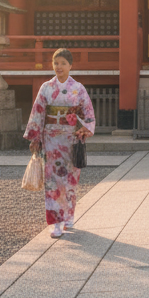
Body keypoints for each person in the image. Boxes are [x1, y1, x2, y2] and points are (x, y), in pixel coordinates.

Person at [24, 48, 96, 239]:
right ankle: (55, 221)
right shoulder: (46, 88)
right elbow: (38, 112)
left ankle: (68, 215)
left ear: (70, 66)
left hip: (71, 139)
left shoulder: (78, 88)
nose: (59, 67)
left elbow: (88, 113)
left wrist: (85, 129)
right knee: (52, 179)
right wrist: (35, 137)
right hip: (51, 138)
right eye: (56, 63)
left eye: (63, 63)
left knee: (70, 178)